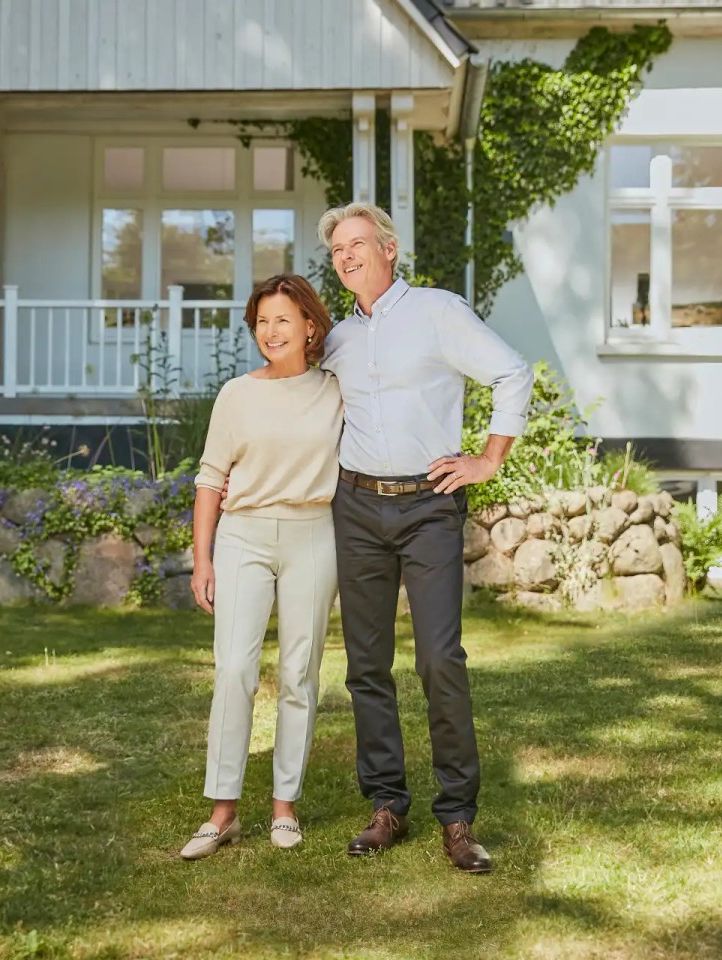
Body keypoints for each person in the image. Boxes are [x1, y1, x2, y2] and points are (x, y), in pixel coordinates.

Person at [319, 203, 532, 874]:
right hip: (355, 506)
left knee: (439, 660)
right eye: (336, 250)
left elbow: (511, 371)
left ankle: (459, 817)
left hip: (430, 505)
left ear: (389, 249)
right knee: (366, 666)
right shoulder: (336, 339)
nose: (346, 256)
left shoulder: (437, 311)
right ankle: (387, 805)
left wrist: (488, 459)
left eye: (357, 243)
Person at [179, 273, 343, 860]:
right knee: (234, 671)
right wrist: (203, 558)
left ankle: (284, 808)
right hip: (243, 536)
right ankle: (223, 812)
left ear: (309, 327)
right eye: (261, 321)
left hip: (312, 535)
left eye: (282, 320)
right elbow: (210, 477)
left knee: (299, 673)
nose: (270, 331)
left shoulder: (335, 389)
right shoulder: (236, 394)